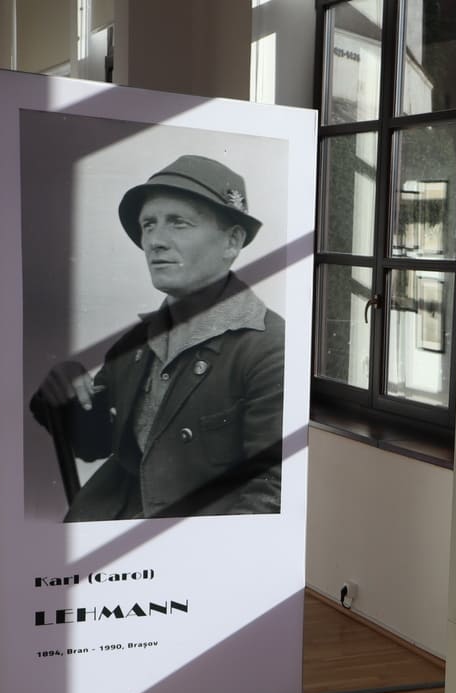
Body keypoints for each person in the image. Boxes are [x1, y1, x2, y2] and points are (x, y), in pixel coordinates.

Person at [30, 154, 284, 521]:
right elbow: (93, 444)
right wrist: (67, 394)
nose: (155, 241)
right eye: (149, 225)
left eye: (179, 223)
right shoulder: (138, 342)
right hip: (109, 529)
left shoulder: (270, 348)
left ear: (232, 241)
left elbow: (271, 494)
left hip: (193, 544)